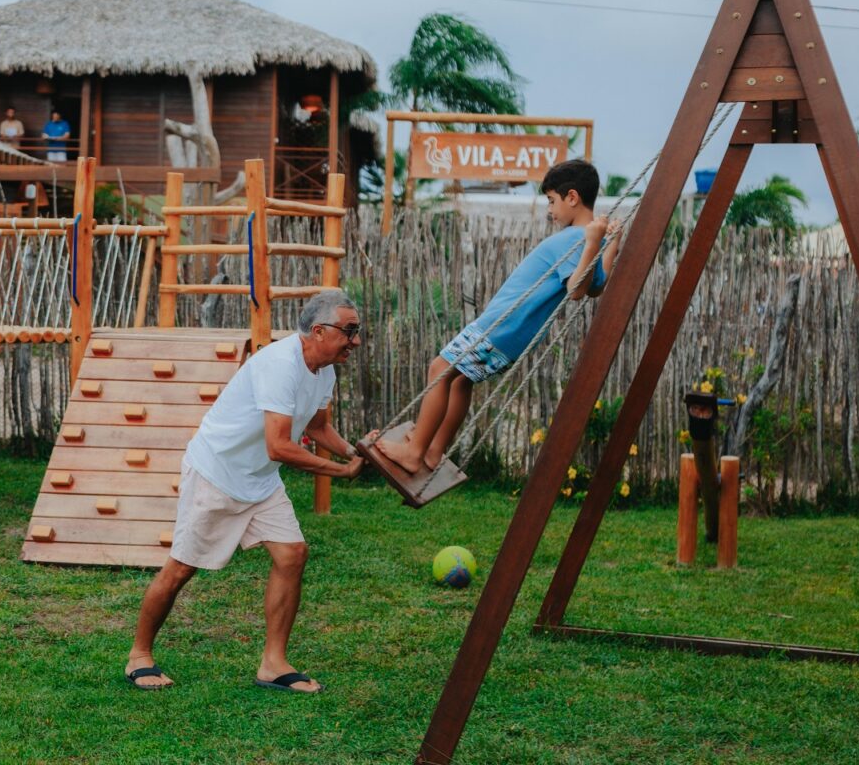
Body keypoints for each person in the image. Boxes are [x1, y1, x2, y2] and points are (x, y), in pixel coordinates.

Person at [125, 289, 375, 694]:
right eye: (350, 331)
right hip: (217, 473)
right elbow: (278, 446)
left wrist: (357, 451)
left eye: (357, 331)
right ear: (318, 330)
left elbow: (315, 427)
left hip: (260, 480)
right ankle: (139, 655)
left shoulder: (324, 370)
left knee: (292, 554)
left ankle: (273, 664)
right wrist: (340, 471)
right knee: (181, 569)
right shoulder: (280, 366)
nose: (356, 340)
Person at [375, 159, 621, 474]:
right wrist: (610, 243)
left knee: (440, 369)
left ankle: (415, 451)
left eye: (551, 200)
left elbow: (577, 289)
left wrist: (593, 242)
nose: (549, 209)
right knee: (461, 381)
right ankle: (433, 452)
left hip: (501, 325)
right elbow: (596, 286)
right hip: (513, 335)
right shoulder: (586, 240)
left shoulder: (576, 239)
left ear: (572, 197)